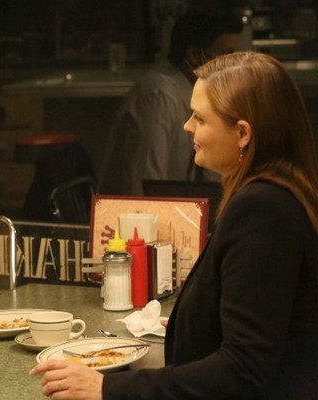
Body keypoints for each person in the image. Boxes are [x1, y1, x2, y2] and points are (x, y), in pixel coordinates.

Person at [31, 51, 318, 399]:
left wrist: (107, 388)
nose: (187, 126)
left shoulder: (263, 209)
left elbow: (244, 368)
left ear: (242, 133)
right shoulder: (277, 195)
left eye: (200, 117)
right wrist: (189, 328)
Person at [98, 12, 243, 196]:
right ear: (193, 55)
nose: (233, 66)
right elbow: (146, 189)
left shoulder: (206, 98)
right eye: (226, 54)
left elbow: (214, 178)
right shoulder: (160, 96)